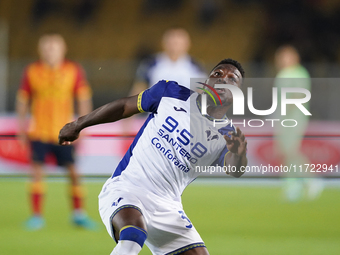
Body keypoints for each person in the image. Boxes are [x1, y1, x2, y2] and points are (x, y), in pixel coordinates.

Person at [59, 58, 247, 255]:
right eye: (217, 74)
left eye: (231, 79)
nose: (222, 79)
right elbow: (124, 106)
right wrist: (78, 124)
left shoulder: (228, 135)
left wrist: (239, 154)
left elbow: (234, 169)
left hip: (168, 207)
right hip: (127, 187)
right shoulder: (170, 93)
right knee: (133, 237)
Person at [16, 33, 97, 230]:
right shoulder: (32, 71)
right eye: (47, 47)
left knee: (74, 172)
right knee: (36, 172)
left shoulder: (73, 70)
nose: (50, 51)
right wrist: (21, 127)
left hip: (65, 131)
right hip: (39, 131)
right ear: (40, 50)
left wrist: (83, 125)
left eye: (54, 47)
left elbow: (83, 98)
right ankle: (36, 216)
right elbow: (23, 100)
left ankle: (79, 214)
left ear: (63, 50)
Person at [274, 45, 323, 201]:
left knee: (290, 151)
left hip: (293, 118)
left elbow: (297, 95)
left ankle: (311, 180)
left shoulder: (298, 73)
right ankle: (292, 186)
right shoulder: (283, 74)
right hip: (284, 118)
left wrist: (286, 111)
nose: (282, 59)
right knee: (286, 152)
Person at [129, 27, 206, 95]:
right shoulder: (151, 63)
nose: (175, 46)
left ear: (187, 44)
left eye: (178, 43)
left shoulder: (196, 66)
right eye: (172, 42)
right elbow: (138, 90)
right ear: (164, 43)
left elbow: (202, 93)